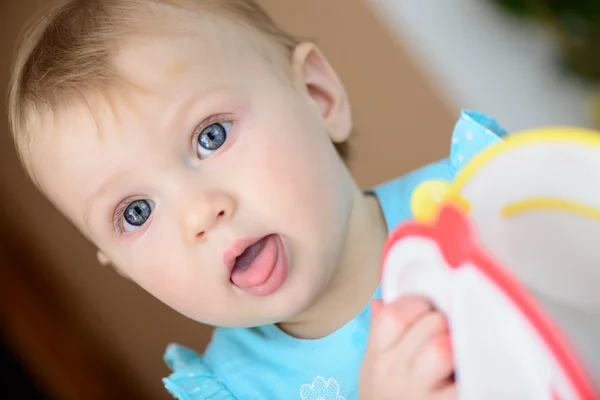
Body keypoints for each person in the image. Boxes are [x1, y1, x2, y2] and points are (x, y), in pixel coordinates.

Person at [7, 0, 507, 398]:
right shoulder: (237, 391)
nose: (200, 213)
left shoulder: (485, 198)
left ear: (317, 96)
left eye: (211, 136)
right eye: (136, 212)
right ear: (119, 265)